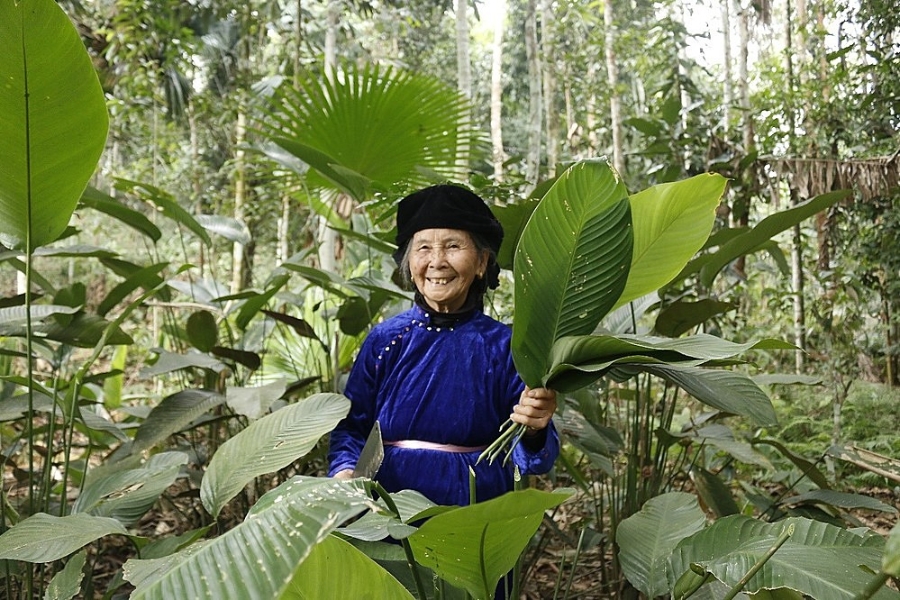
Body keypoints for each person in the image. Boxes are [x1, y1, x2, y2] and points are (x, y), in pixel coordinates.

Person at [328, 184, 559, 507]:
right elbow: (352, 429)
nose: (437, 261)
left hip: (476, 508)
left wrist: (535, 428)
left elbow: (533, 457)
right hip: (386, 508)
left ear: (481, 262)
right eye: (423, 248)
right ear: (409, 263)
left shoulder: (506, 346)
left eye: (452, 246)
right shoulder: (385, 340)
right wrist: (345, 475)